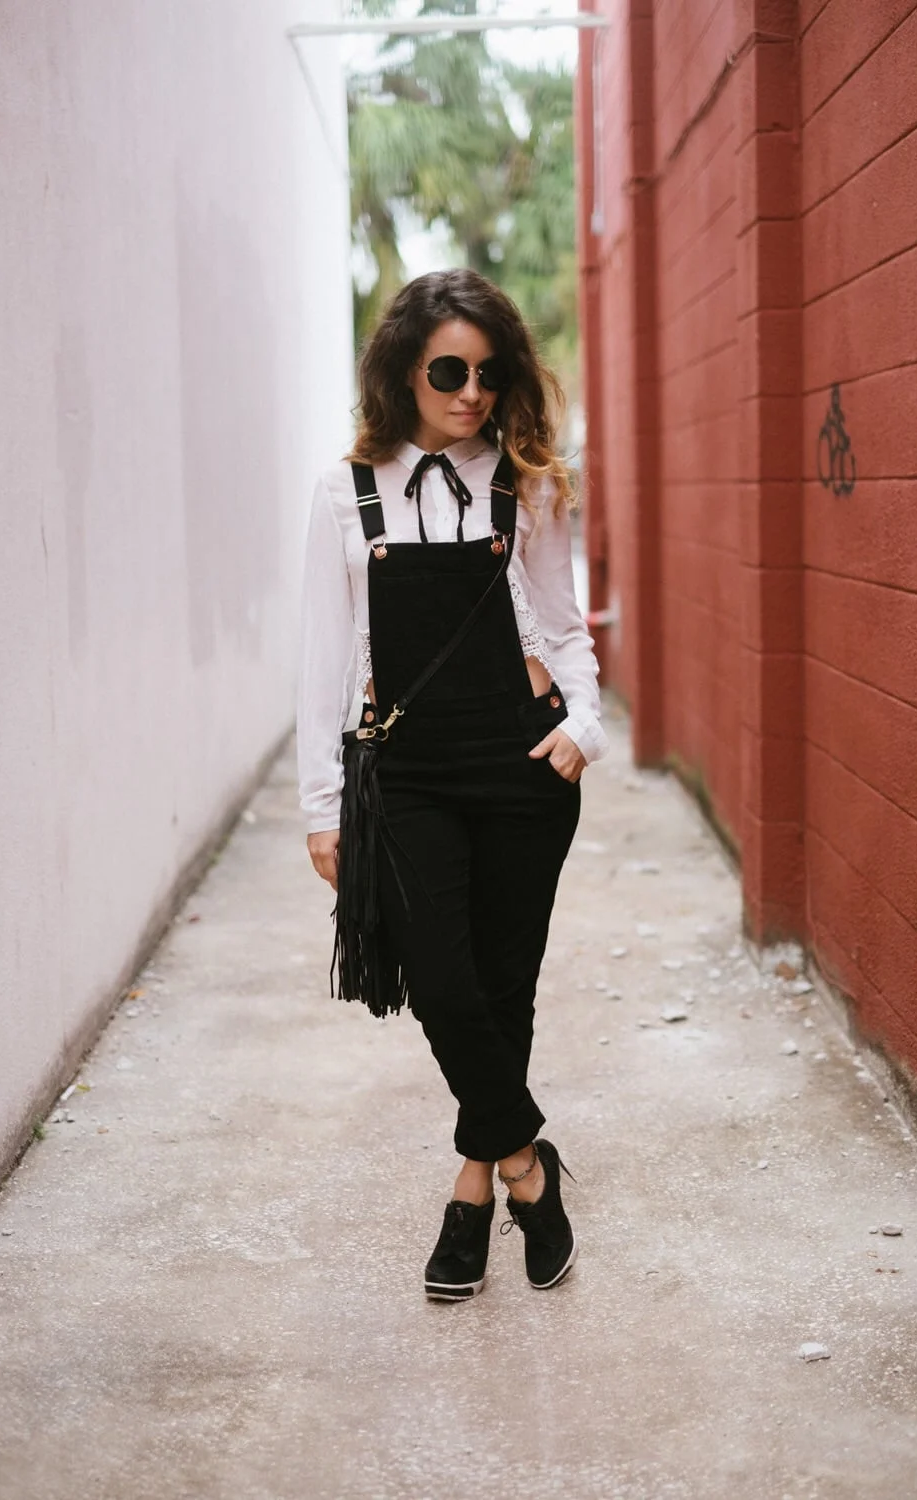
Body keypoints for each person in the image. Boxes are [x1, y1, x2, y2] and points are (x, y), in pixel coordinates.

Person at [297, 268, 608, 1300]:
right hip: (407, 771)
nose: (472, 393)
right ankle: (527, 1167)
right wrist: (319, 807)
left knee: (501, 986)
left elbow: (564, 626)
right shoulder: (346, 490)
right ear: (403, 372)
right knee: (439, 978)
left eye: (488, 373)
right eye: (447, 373)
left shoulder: (529, 482)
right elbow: (320, 659)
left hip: (524, 762)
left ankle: (473, 1190)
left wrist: (585, 728)